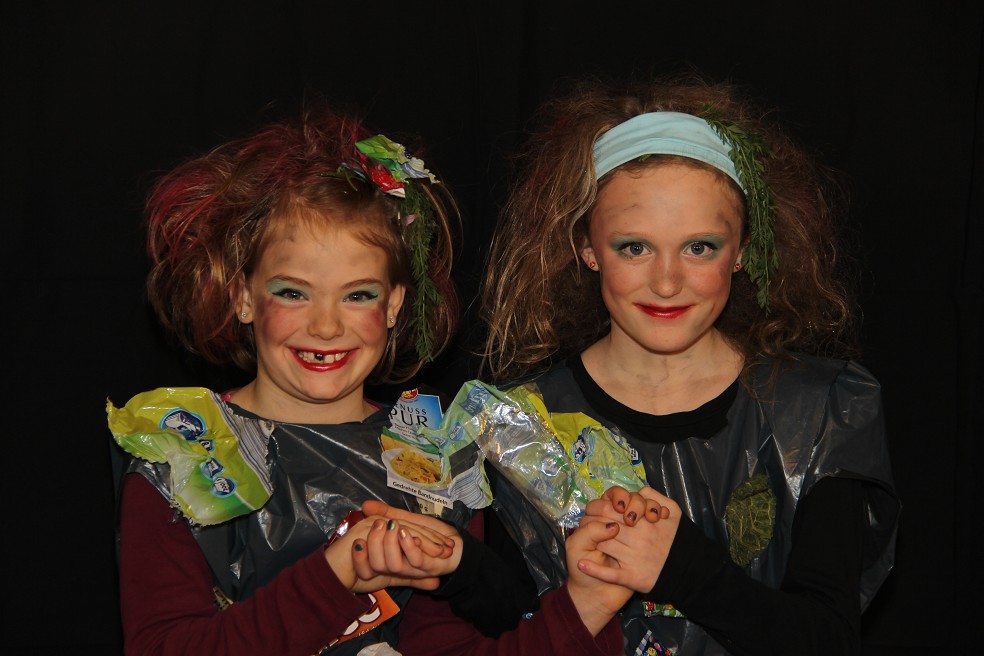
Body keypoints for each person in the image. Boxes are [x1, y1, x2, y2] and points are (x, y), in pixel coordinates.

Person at [108, 106, 635, 656]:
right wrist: (337, 574)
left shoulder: (432, 460)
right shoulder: (182, 451)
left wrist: (587, 606)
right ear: (243, 296)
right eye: (293, 292)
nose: (326, 325)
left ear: (394, 305)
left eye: (358, 294)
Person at [479, 76, 901, 656]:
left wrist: (682, 567)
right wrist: (455, 570)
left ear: (743, 248)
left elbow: (827, 639)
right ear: (587, 248)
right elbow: (502, 635)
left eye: (699, 246)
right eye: (634, 247)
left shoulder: (820, 413)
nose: (667, 282)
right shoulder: (517, 426)